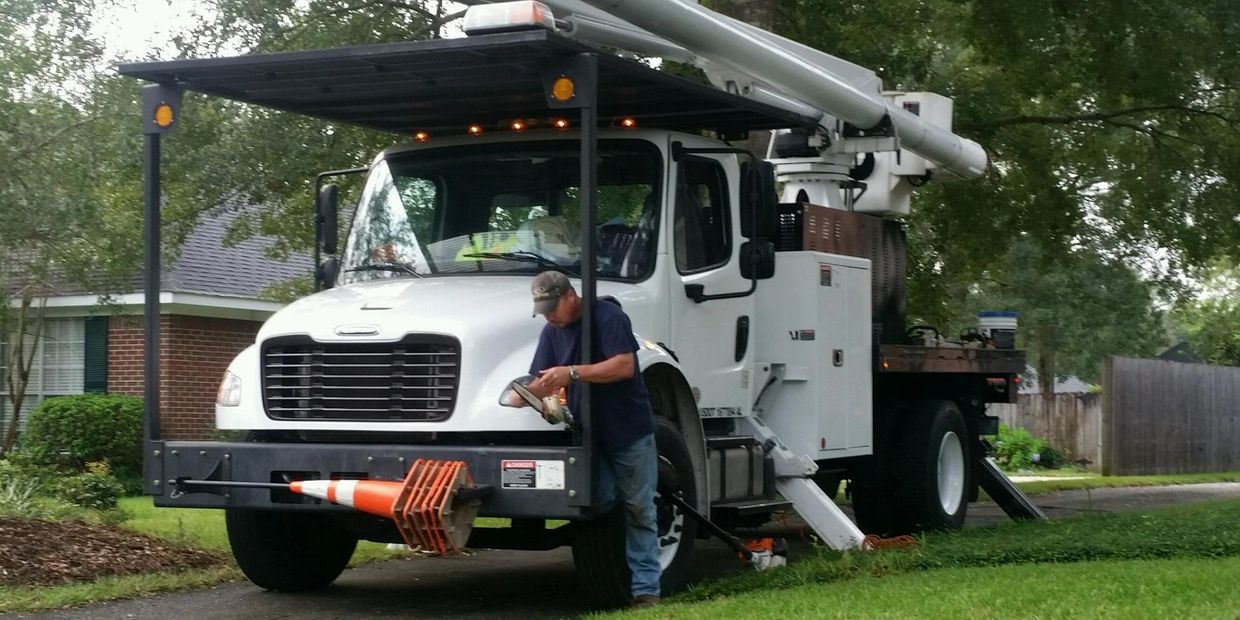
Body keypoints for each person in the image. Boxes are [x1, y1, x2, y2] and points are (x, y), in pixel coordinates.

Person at [524, 270, 661, 608]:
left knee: (639, 509)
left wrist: (570, 372)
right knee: (595, 498)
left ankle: (647, 590)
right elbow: (540, 381)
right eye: (544, 311)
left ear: (571, 296)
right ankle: (652, 481)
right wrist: (538, 401)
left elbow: (625, 366)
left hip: (628, 430)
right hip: (588, 435)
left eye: (553, 308)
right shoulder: (550, 332)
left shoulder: (609, 316)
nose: (550, 316)